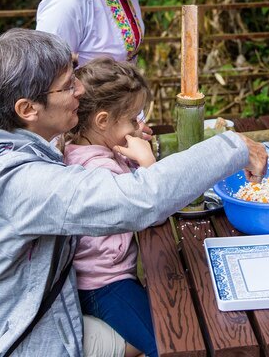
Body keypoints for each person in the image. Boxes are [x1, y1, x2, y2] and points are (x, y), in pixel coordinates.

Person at [0, 28, 267, 357]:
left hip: (33, 317)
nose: (80, 91)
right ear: (27, 109)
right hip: (16, 342)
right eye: (67, 86)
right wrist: (232, 147)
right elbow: (137, 200)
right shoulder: (17, 183)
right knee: (182, 337)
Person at [63, 57, 158, 357]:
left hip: (98, 277)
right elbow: (152, 210)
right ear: (102, 121)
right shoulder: (100, 171)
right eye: (132, 119)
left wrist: (131, 147)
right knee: (168, 343)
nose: (138, 126)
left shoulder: (80, 148)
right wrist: (149, 165)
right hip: (104, 285)